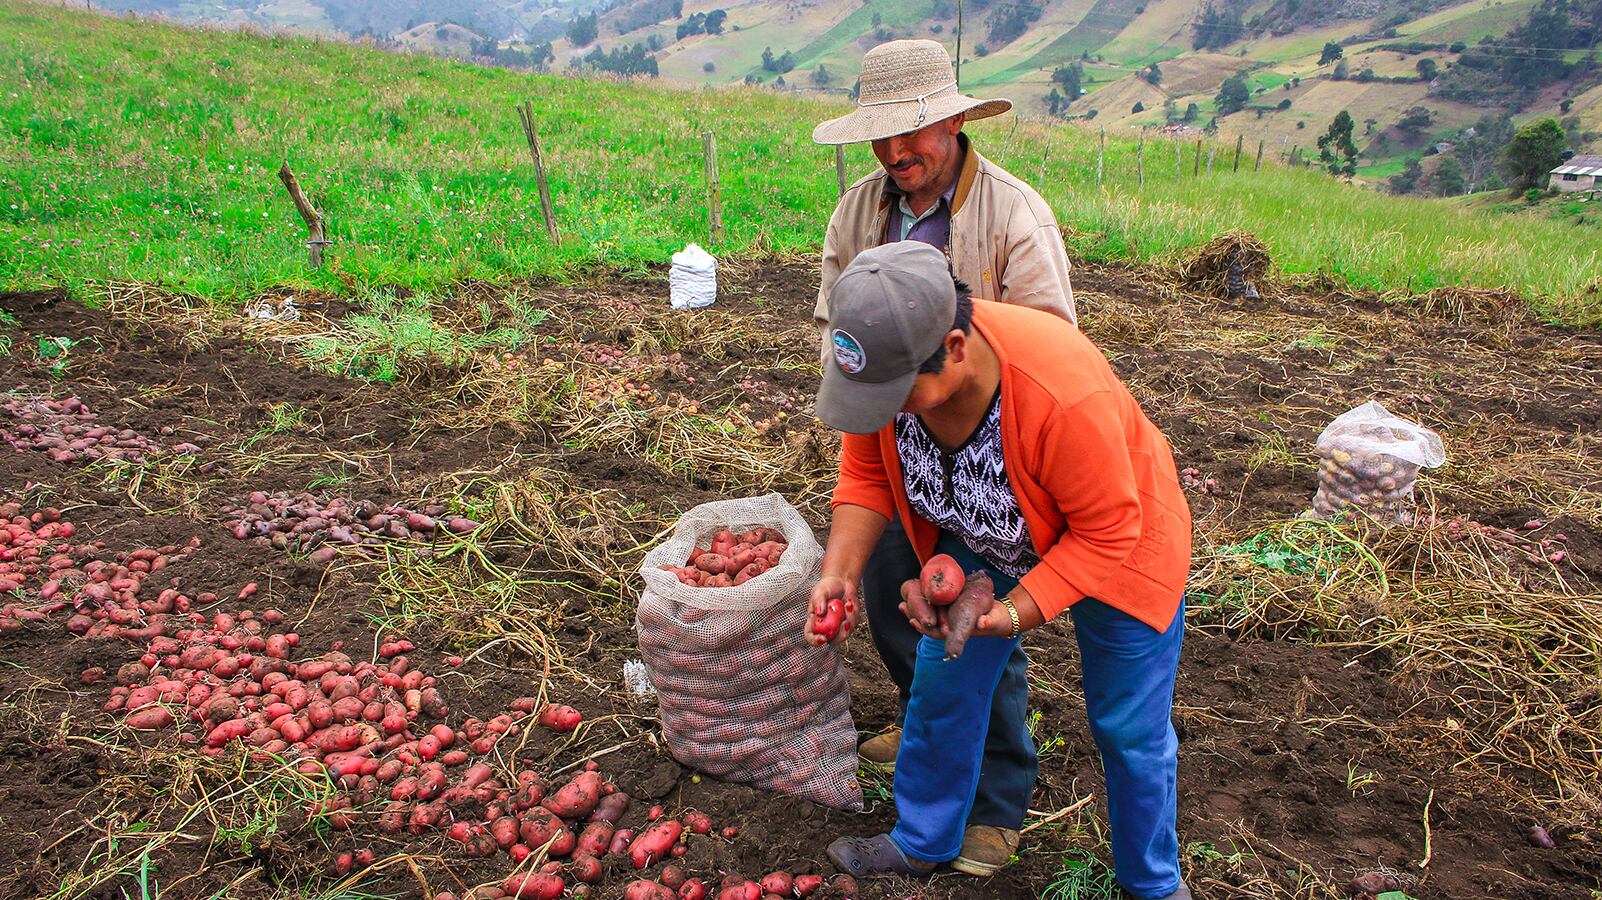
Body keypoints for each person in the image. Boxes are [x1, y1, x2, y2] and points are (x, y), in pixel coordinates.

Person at [805, 242, 1192, 900]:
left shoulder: (1060, 392)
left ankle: (1154, 884)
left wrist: (1014, 613)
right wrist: (839, 571)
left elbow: (1107, 529)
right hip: (989, 527)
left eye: (899, 395)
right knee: (944, 676)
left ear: (955, 347)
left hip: (1118, 539)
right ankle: (921, 840)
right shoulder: (885, 373)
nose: (887, 411)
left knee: (1129, 725)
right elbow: (867, 473)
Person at [811, 39, 1081, 853]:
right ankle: (922, 719)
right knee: (899, 591)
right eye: (883, 138)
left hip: (988, 461)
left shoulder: (1011, 213)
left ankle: (997, 801)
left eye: (914, 135)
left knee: (979, 623)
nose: (898, 154)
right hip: (898, 445)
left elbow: (1051, 347)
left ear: (957, 121)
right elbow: (838, 330)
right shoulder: (861, 211)